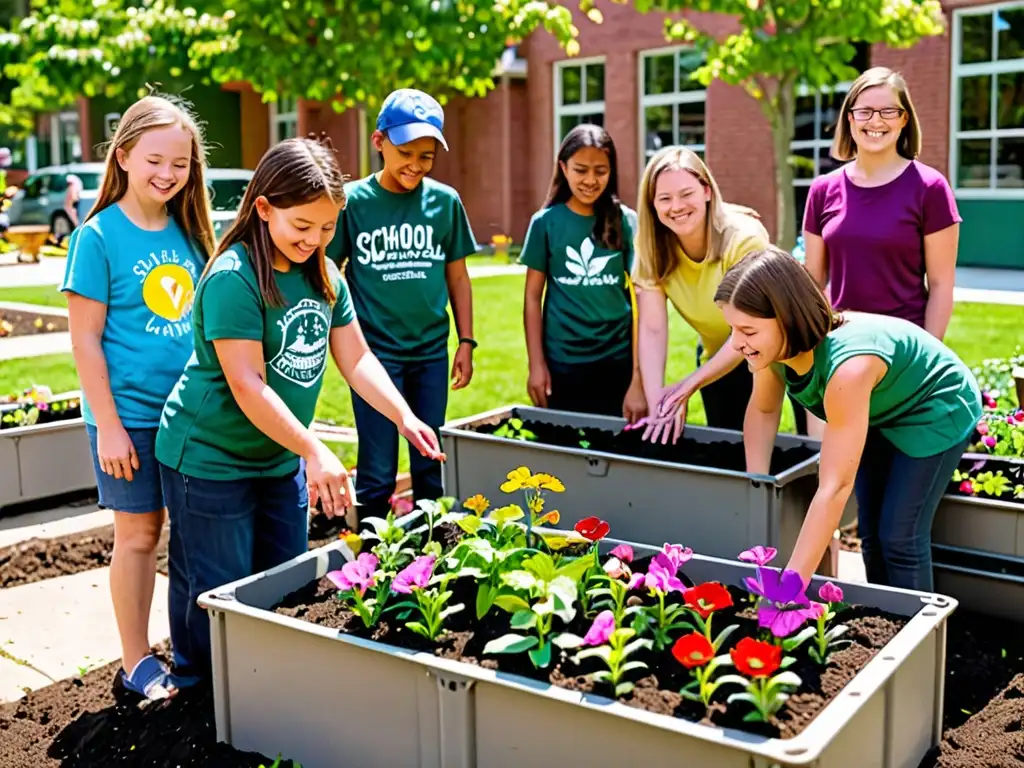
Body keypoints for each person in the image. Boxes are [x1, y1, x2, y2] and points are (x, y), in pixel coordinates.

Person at [156, 136, 445, 682]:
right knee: (217, 589)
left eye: (328, 228)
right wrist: (314, 449)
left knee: (285, 580)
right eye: (302, 227)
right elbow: (246, 385)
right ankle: (200, 693)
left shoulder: (326, 275)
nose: (314, 241)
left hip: (277, 455)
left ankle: (268, 689)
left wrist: (403, 415)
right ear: (264, 208)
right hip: (208, 458)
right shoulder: (233, 279)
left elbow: (355, 356)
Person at [61, 95, 215, 701]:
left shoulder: (192, 231)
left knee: (193, 536)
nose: (168, 174)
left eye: (180, 163)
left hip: (191, 419)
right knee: (140, 535)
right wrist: (110, 426)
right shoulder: (96, 238)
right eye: (154, 160)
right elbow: (85, 344)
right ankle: (135, 662)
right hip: (128, 419)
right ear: (123, 156)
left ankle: (193, 651)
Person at [716, 246, 981, 592]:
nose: (736, 343)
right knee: (871, 533)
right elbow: (765, 411)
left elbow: (834, 487)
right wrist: (757, 484)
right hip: (880, 408)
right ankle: (884, 618)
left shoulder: (848, 369)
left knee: (899, 536)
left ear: (787, 318)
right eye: (732, 330)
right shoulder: (772, 353)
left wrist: (789, 587)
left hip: (935, 407)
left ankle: (919, 634)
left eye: (748, 331)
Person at [325, 88, 476, 519]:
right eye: (405, 151)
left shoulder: (445, 202)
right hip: (373, 354)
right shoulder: (352, 202)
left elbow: (458, 276)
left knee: (431, 456)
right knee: (377, 465)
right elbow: (329, 270)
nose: (415, 164)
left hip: (430, 350)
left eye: (426, 156)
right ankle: (370, 553)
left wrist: (466, 340)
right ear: (379, 143)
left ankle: (429, 550)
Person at [630, 146, 806, 443]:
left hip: (792, 348)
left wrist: (686, 387)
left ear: (707, 191)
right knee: (729, 451)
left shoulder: (743, 238)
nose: (676, 206)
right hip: (721, 353)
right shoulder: (651, 248)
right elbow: (652, 328)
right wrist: (658, 403)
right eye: (664, 198)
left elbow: (751, 329)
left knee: (812, 452)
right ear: (652, 204)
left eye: (686, 194)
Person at [803, 67, 961, 340]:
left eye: (888, 111)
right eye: (864, 111)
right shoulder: (822, 190)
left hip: (905, 346)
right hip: (840, 343)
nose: (875, 121)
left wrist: (928, 356)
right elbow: (814, 283)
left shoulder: (930, 188)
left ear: (904, 119)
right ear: (850, 118)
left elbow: (940, 286)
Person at [520, 124, 645, 420]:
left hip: (617, 362)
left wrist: (639, 379)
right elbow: (531, 298)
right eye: (581, 170)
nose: (591, 180)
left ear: (611, 170)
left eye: (600, 171)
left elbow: (644, 299)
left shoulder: (626, 221)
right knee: (564, 455)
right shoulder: (544, 223)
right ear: (563, 168)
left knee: (619, 453)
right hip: (562, 363)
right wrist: (536, 365)